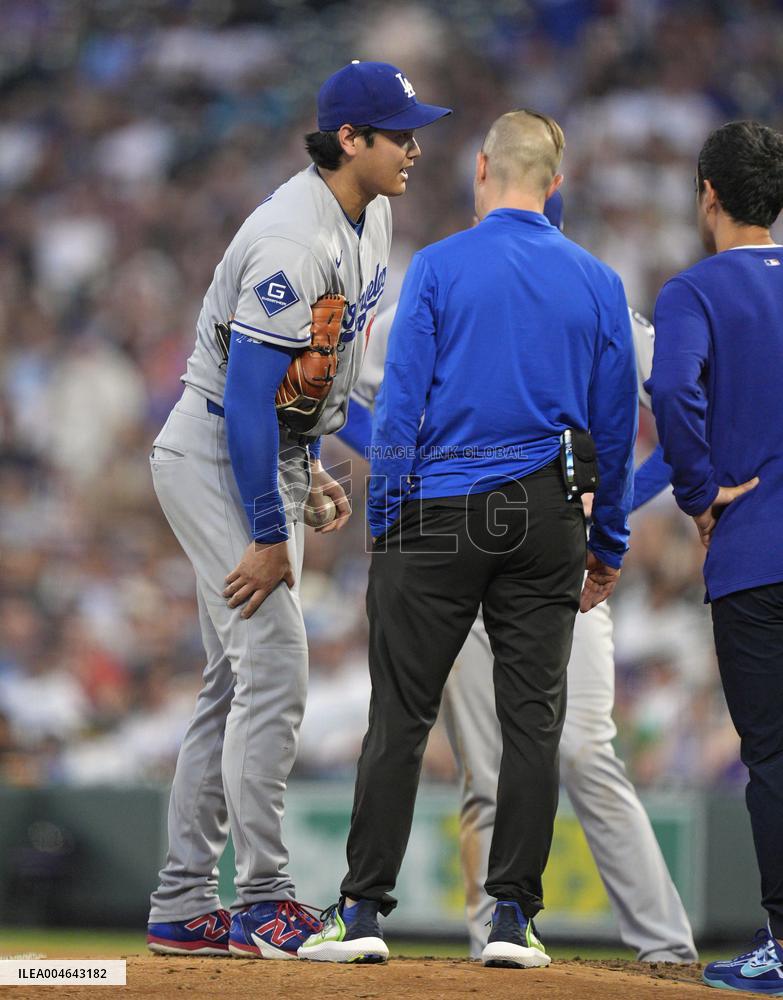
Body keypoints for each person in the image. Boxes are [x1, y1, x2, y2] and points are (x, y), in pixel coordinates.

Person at [299, 109, 638, 968]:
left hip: (441, 510)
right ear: (554, 183)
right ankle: (515, 920)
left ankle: (362, 912)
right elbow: (611, 426)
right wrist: (610, 542)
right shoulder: (597, 280)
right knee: (532, 722)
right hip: (546, 511)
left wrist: (385, 524)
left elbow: (403, 401)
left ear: (481, 169)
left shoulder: (442, 266)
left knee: (401, 719)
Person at [144, 60, 450, 960]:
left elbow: (311, 378)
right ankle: (264, 901)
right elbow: (243, 399)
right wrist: (269, 531)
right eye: (398, 134)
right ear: (348, 139)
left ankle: (183, 902)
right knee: (274, 666)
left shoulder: (374, 215)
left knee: (232, 684)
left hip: (263, 452)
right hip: (213, 450)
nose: (414, 146)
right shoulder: (289, 237)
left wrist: (311, 458)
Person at [336, 276, 697, 962]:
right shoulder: (444, 285)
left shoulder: (592, 295)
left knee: (582, 748)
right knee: (487, 774)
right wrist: (402, 471)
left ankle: (666, 951)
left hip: (550, 544)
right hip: (459, 534)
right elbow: (345, 399)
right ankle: (494, 952)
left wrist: (614, 505)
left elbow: (682, 414)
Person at [647, 119, 783, 996]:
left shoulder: (693, 290)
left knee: (772, 756)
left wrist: (697, 495)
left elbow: (670, 388)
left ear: (707, 193)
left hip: (755, 553)